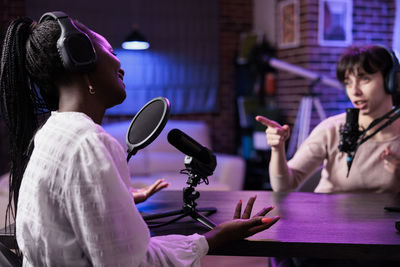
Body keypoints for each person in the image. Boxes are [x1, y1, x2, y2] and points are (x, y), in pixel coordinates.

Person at [0, 12, 280, 266]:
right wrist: (214, 237)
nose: (120, 64)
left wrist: (117, 198)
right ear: (80, 57)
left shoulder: (50, 132)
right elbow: (135, 263)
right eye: (109, 51)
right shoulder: (88, 142)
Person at [256, 45, 400, 193]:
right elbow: (284, 186)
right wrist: (277, 149)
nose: (354, 91)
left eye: (364, 79)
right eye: (348, 82)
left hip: (383, 217)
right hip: (329, 215)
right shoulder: (332, 129)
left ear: (391, 81)